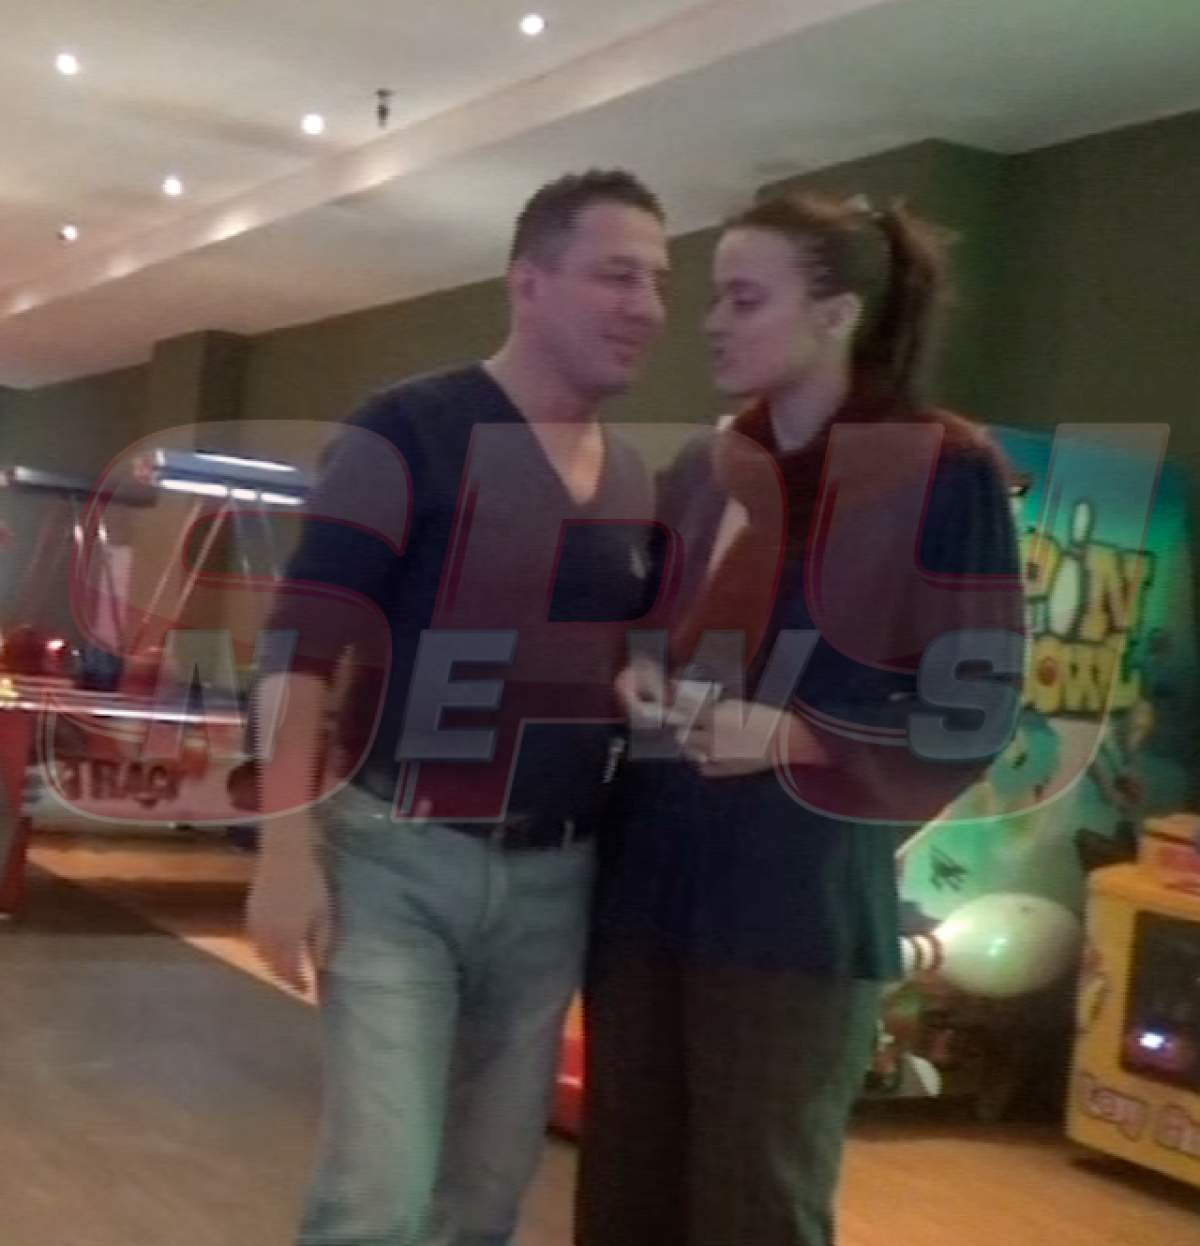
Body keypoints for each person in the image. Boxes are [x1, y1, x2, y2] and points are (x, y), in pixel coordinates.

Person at [576, 192, 1025, 1246]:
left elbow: (973, 706)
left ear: (837, 313)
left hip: (794, 902)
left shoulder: (944, 473)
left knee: (756, 1204)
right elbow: (646, 630)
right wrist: (636, 675)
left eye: (744, 298)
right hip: (648, 884)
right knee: (624, 1191)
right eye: (714, 298)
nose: (710, 323)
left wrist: (794, 734)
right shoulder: (703, 470)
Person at [247, 168, 669, 1246]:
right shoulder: (406, 430)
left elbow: (616, 660)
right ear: (529, 282)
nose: (648, 307)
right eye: (617, 276)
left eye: (658, 282)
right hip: (398, 861)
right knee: (378, 1200)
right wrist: (283, 852)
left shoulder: (632, 481)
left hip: (556, 881)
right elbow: (301, 650)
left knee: (483, 1204)